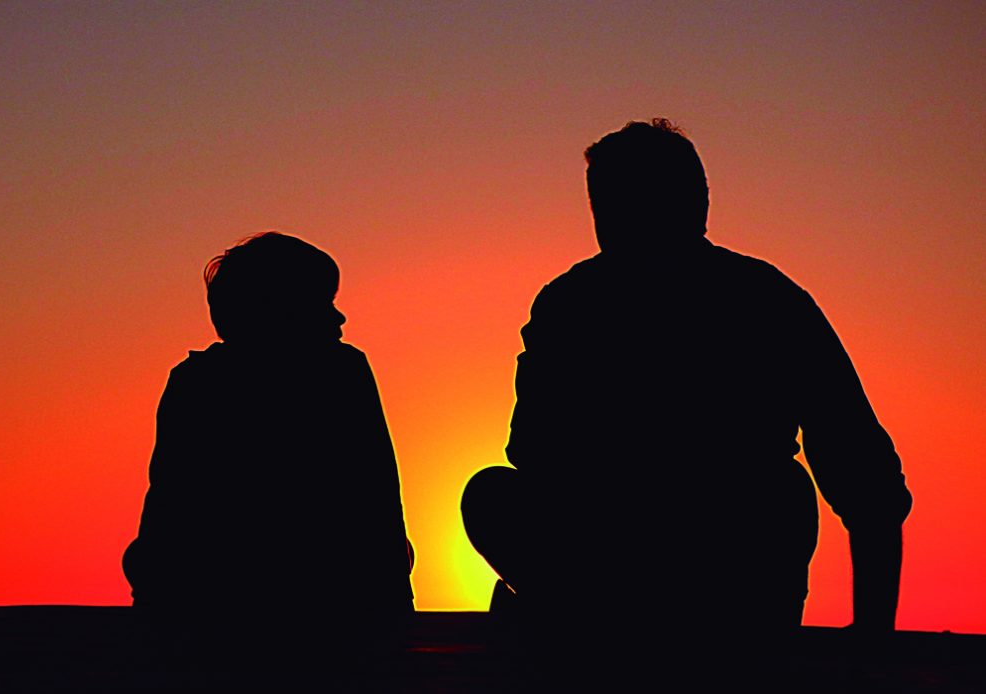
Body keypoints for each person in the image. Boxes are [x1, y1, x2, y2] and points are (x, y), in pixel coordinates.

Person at [461, 119, 912, 640]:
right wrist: (877, 630)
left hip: (692, 579)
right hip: (697, 573)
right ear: (700, 201)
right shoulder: (768, 297)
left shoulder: (571, 303)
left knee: (493, 493)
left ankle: (566, 616)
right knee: (494, 494)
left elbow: (533, 451)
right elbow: (865, 475)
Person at [124, 232, 414, 653]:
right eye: (323, 303)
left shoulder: (194, 380)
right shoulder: (343, 373)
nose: (340, 319)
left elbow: (168, 504)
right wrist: (396, 612)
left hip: (214, 594)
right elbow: (378, 499)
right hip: (329, 596)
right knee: (397, 553)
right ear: (279, 310)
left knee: (143, 556)